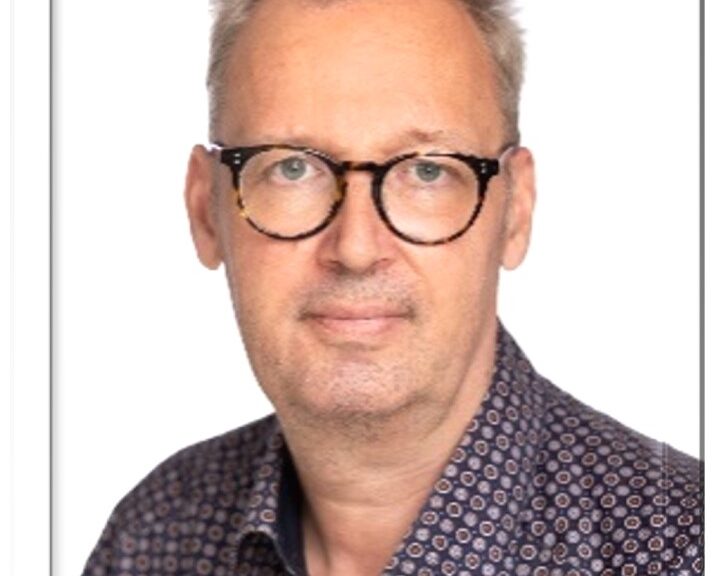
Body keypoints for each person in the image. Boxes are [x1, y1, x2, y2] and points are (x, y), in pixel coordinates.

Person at [82, 0, 703, 574]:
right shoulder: (154, 535)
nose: (356, 248)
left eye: (428, 171)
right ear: (204, 210)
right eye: (291, 167)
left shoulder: (681, 546)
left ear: (515, 212)